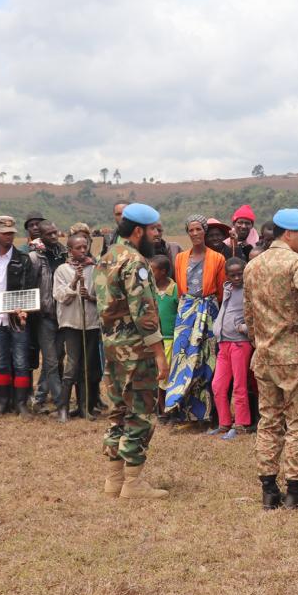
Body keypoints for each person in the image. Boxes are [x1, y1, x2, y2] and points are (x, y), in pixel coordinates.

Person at [244, 208, 298, 510]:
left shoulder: (253, 265)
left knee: (268, 421)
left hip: (264, 355)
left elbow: (249, 312)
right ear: (288, 234)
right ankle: (294, 492)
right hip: (294, 357)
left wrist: (258, 341)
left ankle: (268, 490)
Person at [96, 202, 170, 500]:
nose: (156, 235)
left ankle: (114, 480)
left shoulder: (107, 257)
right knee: (140, 412)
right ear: (139, 231)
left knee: (117, 412)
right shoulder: (136, 262)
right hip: (137, 350)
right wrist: (160, 353)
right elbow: (144, 313)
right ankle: (133, 482)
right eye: (153, 229)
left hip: (112, 347)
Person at [164, 215, 226, 426]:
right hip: (186, 311)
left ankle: (206, 413)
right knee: (181, 357)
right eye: (191, 230)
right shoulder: (180, 258)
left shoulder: (217, 258)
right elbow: (181, 288)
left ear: (205, 231)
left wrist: (209, 310)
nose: (195, 233)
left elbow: (220, 291)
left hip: (209, 311)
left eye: (199, 229)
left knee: (207, 360)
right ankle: (179, 409)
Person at [0, 216, 33, 416]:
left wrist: (24, 309)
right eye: (5, 234)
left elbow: (29, 289)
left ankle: (21, 404)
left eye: (11, 233)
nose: (9, 237)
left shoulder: (23, 259)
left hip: (18, 318)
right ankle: (1, 403)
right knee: (1, 362)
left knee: (20, 362)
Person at [54, 234, 101, 420]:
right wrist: (74, 282)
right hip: (71, 323)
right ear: (70, 250)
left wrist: (90, 297)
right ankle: (63, 408)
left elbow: (103, 297)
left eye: (85, 247)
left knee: (86, 366)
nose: (82, 250)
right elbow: (60, 296)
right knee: (72, 365)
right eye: (78, 248)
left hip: (91, 324)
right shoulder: (62, 270)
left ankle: (84, 407)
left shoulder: (95, 269)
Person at [28, 221, 68, 416]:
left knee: (56, 359)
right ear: (41, 236)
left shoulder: (64, 254)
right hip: (45, 316)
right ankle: (62, 405)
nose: (53, 236)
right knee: (51, 362)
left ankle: (39, 399)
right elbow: (29, 286)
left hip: (63, 315)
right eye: (49, 234)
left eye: (55, 232)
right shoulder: (35, 257)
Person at [211, 257, 251, 440]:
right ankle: (224, 423)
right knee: (217, 385)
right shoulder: (227, 288)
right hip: (223, 343)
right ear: (226, 276)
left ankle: (241, 424)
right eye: (232, 275)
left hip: (239, 343)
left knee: (239, 386)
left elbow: (257, 314)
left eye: (239, 274)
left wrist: (245, 328)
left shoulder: (249, 290)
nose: (236, 278)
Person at [149, 256, 178, 363]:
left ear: (163, 271)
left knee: (167, 368)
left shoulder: (176, 289)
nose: (149, 274)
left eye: (152, 271)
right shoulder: (149, 290)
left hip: (170, 338)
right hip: (154, 339)